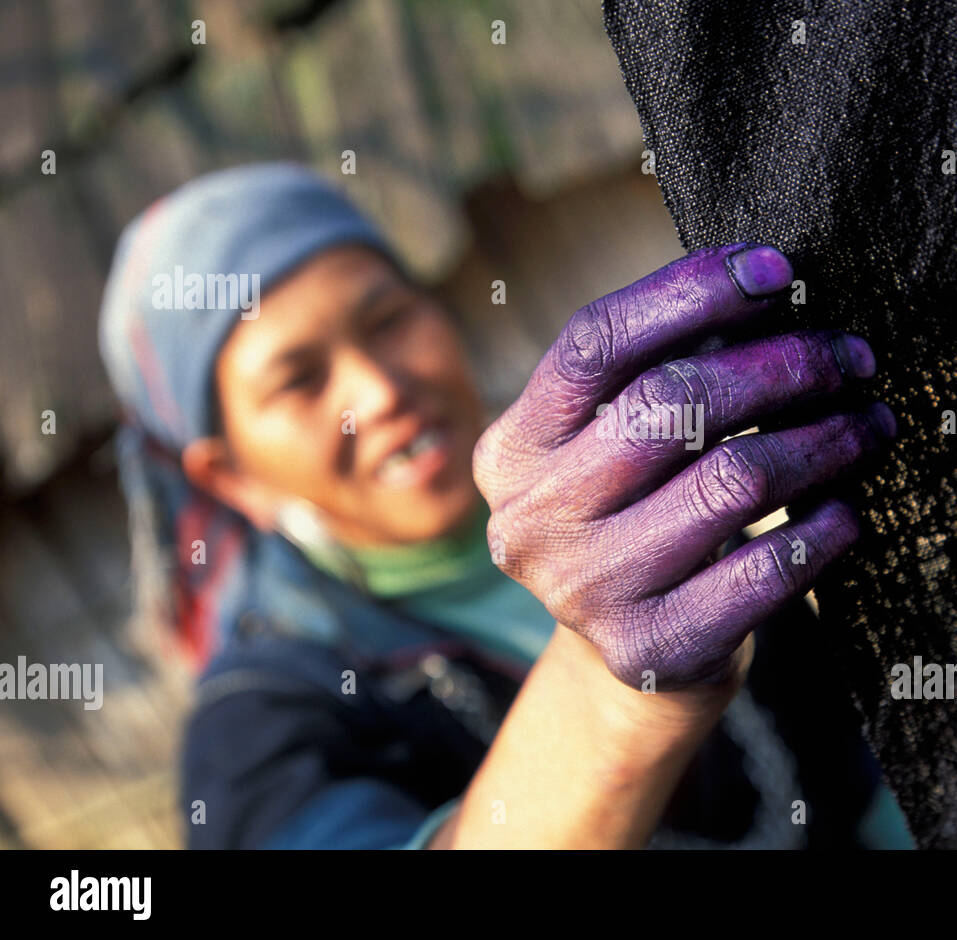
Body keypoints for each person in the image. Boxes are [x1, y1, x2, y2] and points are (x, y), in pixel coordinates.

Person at [98, 162, 910, 849]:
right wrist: (612, 682)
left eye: (387, 319)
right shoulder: (261, 720)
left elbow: (852, 750)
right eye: (298, 380)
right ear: (234, 477)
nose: (379, 391)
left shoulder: (640, 487)